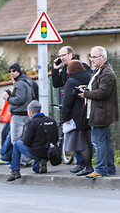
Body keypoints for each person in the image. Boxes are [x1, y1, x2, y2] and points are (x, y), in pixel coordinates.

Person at [79, 46, 118, 179]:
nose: (91, 59)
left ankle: (101, 169)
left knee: (98, 141)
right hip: (99, 111)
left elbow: (102, 92)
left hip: (101, 113)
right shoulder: (99, 70)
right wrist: (86, 89)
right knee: (103, 141)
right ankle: (110, 168)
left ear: (103, 57)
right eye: (91, 56)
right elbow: (97, 88)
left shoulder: (107, 72)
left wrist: (86, 94)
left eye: (94, 57)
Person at [52, 46, 92, 173]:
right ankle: (81, 163)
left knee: (80, 138)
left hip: (78, 109)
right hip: (78, 109)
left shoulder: (80, 66)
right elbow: (56, 84)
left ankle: (83, 164)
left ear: (70, 54)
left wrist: (65, 117)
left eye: (63, 55)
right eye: (60, 55)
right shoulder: (64, 68)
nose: (61, 58)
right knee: (79, 138)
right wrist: (54, 69)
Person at [7, 100, 58, 181]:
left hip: (36, 152)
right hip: (49, 152)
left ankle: (15, 171)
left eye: (28, 112)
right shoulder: (52, 120)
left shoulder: (32, 123)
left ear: (31, 112)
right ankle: (41, 164)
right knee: (35, 169)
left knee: (17, 144)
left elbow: (26, 142)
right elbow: (56, 138)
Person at [61, 60, 93, 176]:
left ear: (72, 70)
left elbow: (67, 102)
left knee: (81, 143)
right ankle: (92, 166)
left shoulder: (71, 82)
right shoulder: (90, 77)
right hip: (90, 114)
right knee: (90, 142)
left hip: (77, 116)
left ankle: (88, 166)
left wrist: (64, 117)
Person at [3, 63, 34, 167]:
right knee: (25, 139)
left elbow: (20, 99)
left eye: (14, 71)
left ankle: (19, 162)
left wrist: (8, 98)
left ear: (18, 71)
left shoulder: (20, 83)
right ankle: (26, 160)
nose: (12, 73)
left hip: (19, 115)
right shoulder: (28, 81)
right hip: (26, 114)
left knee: (16, 140)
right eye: (10, 71)